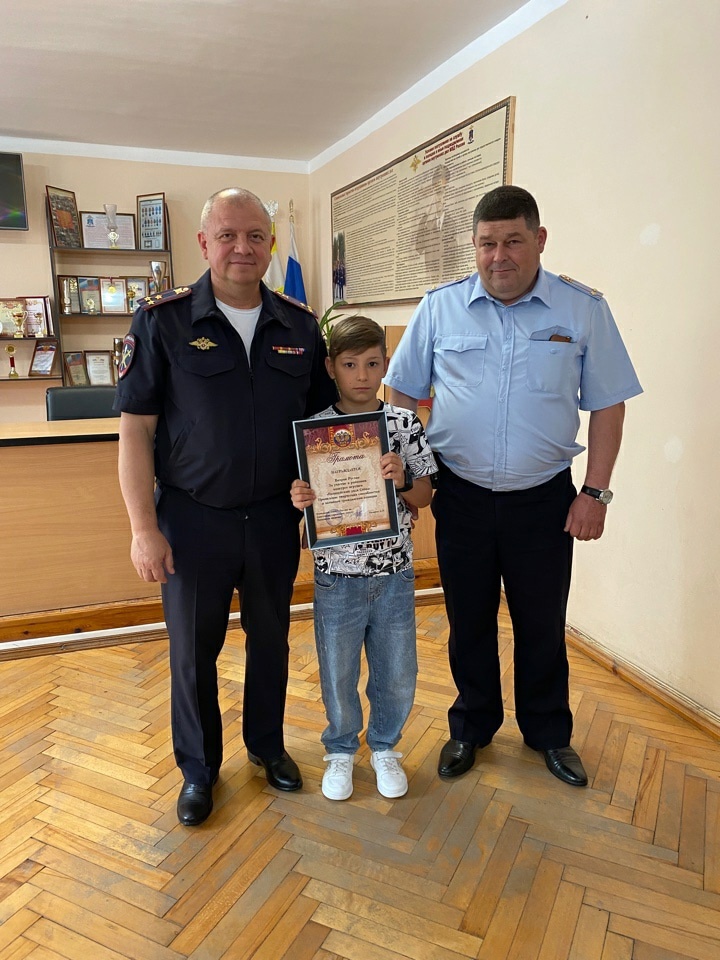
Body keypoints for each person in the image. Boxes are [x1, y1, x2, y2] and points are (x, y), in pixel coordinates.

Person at [386, 185, 642, 787]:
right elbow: (400, 393)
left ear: (539, 240)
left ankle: (548, 732)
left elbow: (608, 405)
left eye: (513, 241)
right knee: (468, 619)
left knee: (542, 623)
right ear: (474, 246)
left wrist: (595, 493)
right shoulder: (441, 307)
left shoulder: (581, 310)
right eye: (486, 243)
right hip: (461, 495)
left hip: (544, 499)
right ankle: (471, 726)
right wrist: (411, 476)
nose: (498, 256)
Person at [115, 187, 337, 826]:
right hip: (192, 519)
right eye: (228, 235)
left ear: (270, 243)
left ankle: (266, 746)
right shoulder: (162, 321)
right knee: (193, 652)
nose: (243, 247)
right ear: (204, 242)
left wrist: (328, 503)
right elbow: (135, 431)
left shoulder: (299, 325)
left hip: (272, 518)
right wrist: (143, 528)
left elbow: (321, 427)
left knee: (271, 640)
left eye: (256, 235)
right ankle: (198, 770)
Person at [290, 316, 437, 801]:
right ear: (331, 367)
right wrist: (301, 499)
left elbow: (425, 496)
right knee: (338, 670)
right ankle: (339, 750)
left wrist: (402, 480)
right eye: (350, 364)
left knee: (397, 670)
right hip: (336, 575)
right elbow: (302, 499)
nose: (361, 375)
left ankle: (385, 747)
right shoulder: (314, 430)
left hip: (394, 570)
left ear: (385, 364)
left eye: (372, 364)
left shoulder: (403, 424)